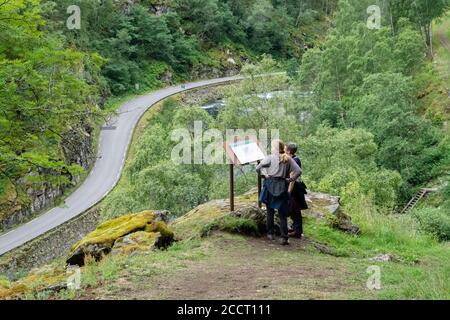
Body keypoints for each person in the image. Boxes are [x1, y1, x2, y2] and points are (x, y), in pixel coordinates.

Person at [256, 139, 301, 245]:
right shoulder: (288, 159)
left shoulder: (270, 158)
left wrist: (264, 176)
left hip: (270, 185)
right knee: (282, 214)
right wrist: (289, 180)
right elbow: (298, 171)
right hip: (282, 186)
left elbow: (258, 168)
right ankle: (284, 238)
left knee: (270, 211)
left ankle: (270, 234)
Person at [285, 143, 307, 238]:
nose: (284, 150)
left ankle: (297, 231)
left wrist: (289, 192)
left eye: (285, 149)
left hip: (295, 188)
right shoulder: (294, 159)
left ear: (289, 151)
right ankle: (295, 228)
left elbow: (292, 178)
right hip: (294, 188)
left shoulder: (294, 161)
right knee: (292, 208)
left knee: (295, 209)